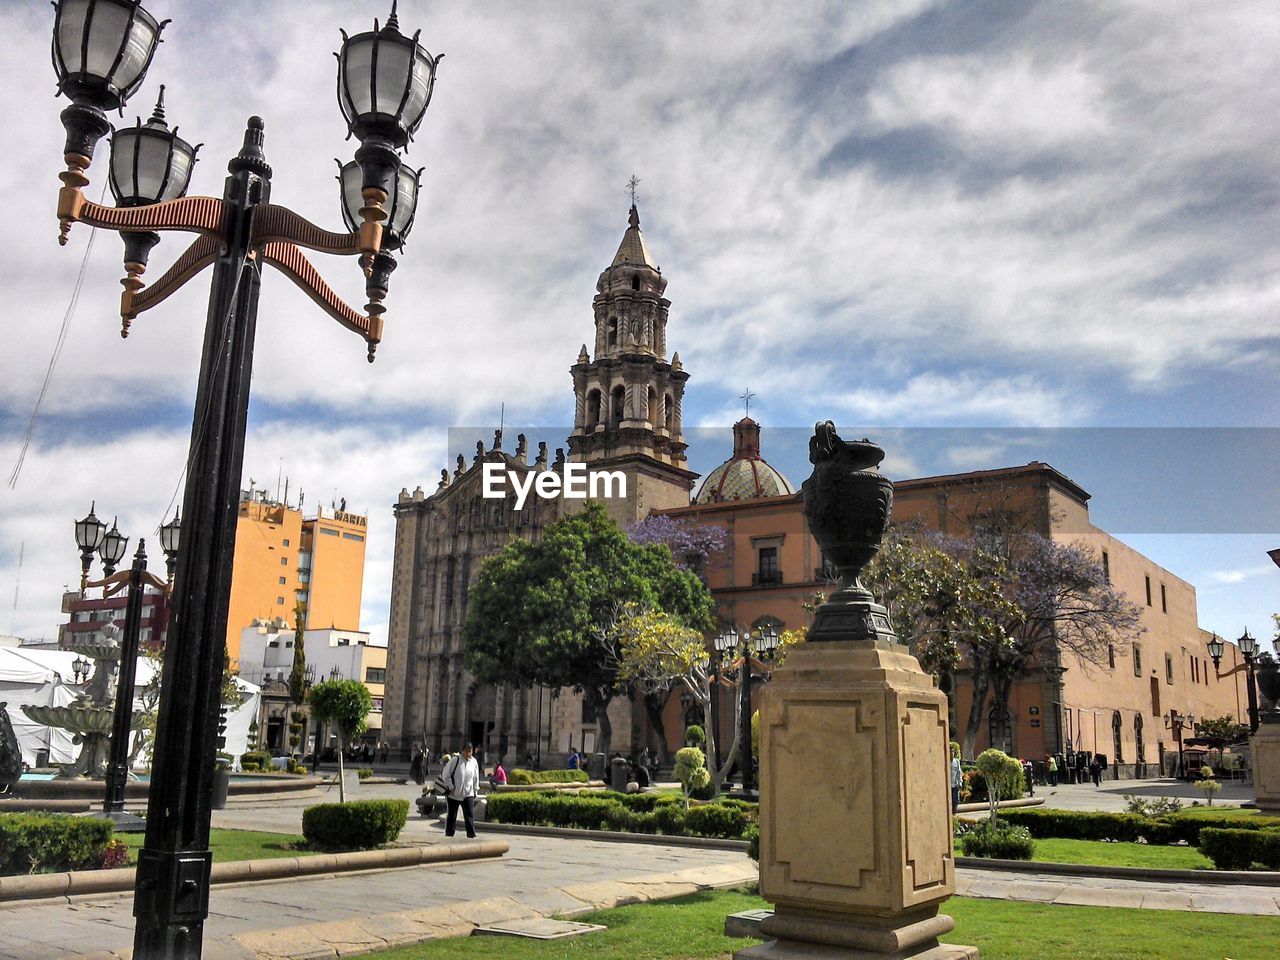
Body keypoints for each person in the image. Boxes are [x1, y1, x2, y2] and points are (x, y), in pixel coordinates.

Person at [441, 741, 481, 839]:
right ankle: (449, 835)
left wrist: (475, 790)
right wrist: (451, 787)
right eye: (467, 751)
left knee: (469, 816)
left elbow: (476, 777)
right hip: (454, 793)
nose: (468, 754)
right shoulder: (455, 760)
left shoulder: (474, 762)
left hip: (468, 794)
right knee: (452, 816)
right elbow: (445, 775)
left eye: (470, 751)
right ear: (462, 751)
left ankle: (471, 835)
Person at [950, 744, 963, 813]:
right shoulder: (946, 761)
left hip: (955, 784)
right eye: (950, 752)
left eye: (952, 752)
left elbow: (959, 772)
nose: (951, 753)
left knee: (956, 800)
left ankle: (954, 813)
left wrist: (960, 782)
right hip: (948, 785)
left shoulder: (956, 761)